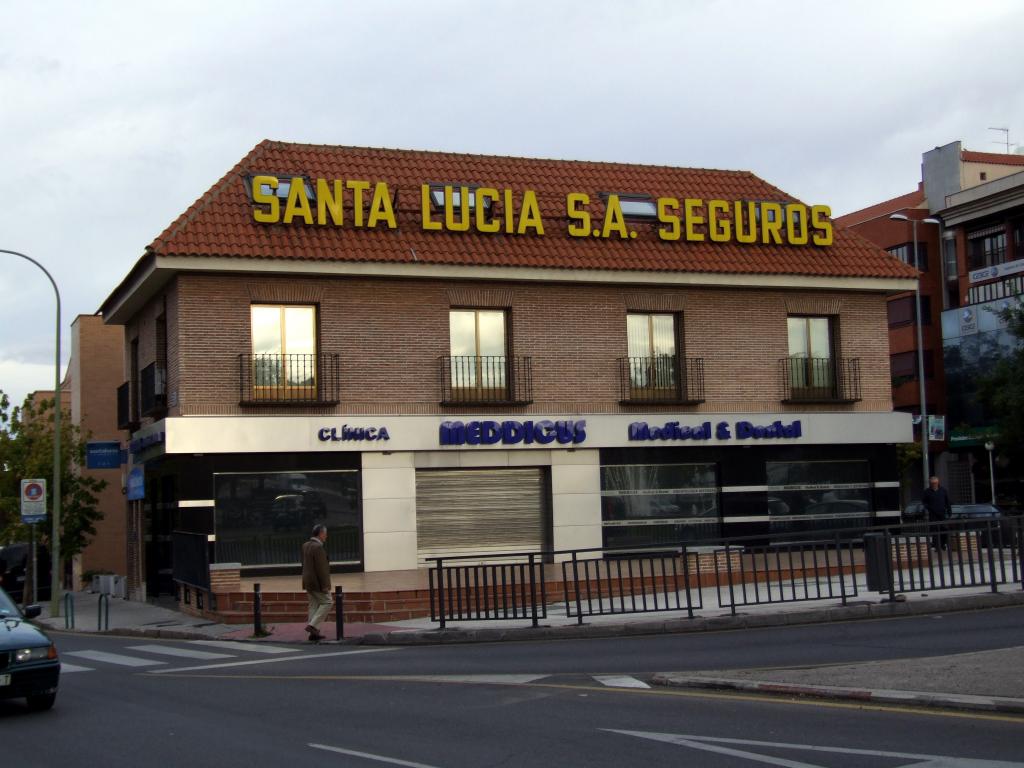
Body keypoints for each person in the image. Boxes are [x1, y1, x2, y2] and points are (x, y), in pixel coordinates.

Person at [301, 523, 332, 642]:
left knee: (313, 605)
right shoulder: (318, 547)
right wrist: (325, 586)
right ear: (320, 534)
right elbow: (321, 569)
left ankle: (313, 634)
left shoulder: (305, 545)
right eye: (325, 534)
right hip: (317, 582)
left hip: (308, 581)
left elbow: (304, 565)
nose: (326, 536)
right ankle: (313, 626)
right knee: (328, 602)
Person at [920, 476, 952, 549]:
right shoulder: (927, 492)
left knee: (944, 529)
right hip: (933, 513)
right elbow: (924, 501)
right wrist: (928, 507)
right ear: (930, 484)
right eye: (932, 483)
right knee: (934, 529)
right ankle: (937, 545)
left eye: (935, 483)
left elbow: (947, 501)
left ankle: (943, 543)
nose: (934, 484)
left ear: (938, 483)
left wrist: (949, 510)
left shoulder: (943, 490)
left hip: (942, 513)